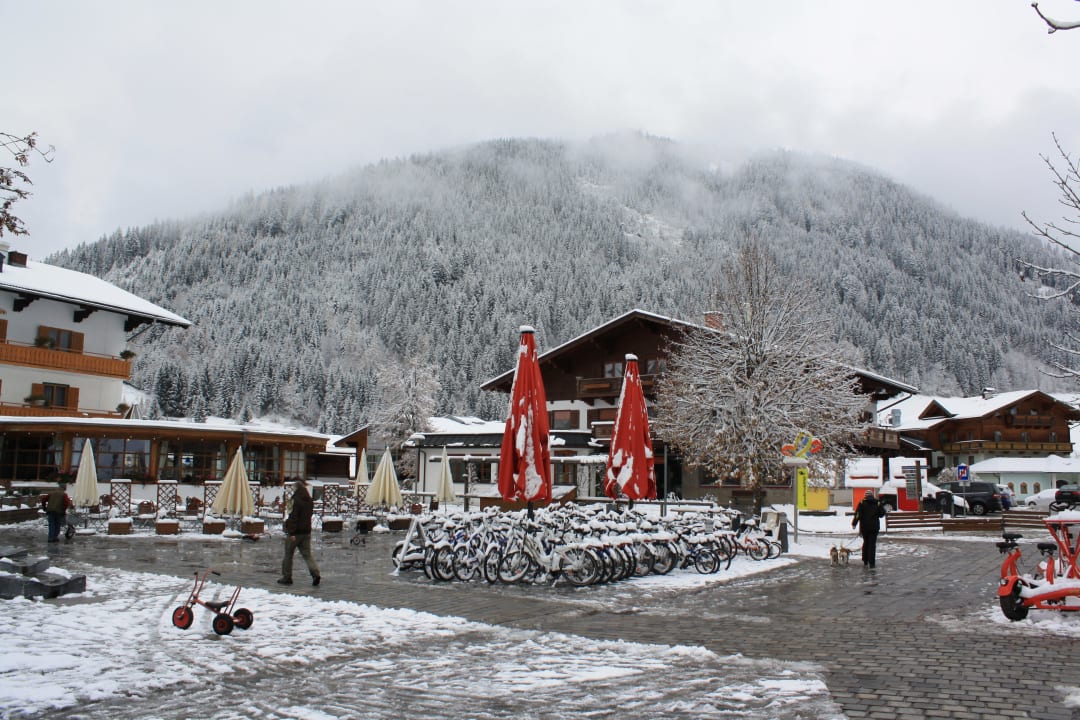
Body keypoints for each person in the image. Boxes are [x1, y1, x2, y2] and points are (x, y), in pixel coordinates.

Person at [278, 478, 321, 587]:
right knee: (307, 555)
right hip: (306, 532)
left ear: (296, 488)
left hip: (295, 533)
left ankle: (287, 577)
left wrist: (291, 532)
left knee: (288, 554)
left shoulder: (294, 499)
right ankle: (315, 573)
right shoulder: (309, 500)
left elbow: (293, 517)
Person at [851, 490, 885, 569]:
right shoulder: (877, 503)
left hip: (865, 528)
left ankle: (865, 560)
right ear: (872, 495)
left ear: (865, 496)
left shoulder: (862, 503)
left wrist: (854, 523)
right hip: (874, 528)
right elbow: (882, 514)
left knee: (866, 543)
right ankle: (872, 563)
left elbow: (858, 514)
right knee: (872, 545)